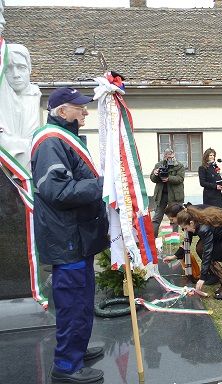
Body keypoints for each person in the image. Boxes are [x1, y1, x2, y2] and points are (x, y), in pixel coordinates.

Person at [32, 87, 108, 383]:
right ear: (62, 112)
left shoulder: (64, 139)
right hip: (67, 238)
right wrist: (104, 185)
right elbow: (58, 191)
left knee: (83, 297)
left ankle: (77, 348)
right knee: (73, 301)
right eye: (79, 107)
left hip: (77, 236)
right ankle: (66, 366)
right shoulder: (51, 141)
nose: (85, 111)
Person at [175, 206, 222, 299]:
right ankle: (216, 277)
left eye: (186, 228)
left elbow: (207, 253)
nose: (186, 231)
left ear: (191, 223)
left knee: (209, 256)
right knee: (200, 248)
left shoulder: (203, 229)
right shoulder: (196, 219)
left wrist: (202, 278)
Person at [0, 43, 41, 171]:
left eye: (21, 67)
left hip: (31, 169)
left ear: (29, 69)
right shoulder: (4, 96)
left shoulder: (34, 95)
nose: (16, 74)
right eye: (8, 68)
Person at [150, 148, 185, 235]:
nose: (170, 159)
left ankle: (174, 237)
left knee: (174, 217)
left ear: (174, 155)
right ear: (164, 156)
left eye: (171, 157)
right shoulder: (159, 165)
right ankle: (153, 237)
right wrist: (155, 174)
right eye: (168, 157)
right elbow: (152, 179)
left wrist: (169, 178)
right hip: (161, 195)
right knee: (157, 218)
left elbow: (180, 179)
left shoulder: (179, 166)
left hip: (174, 195)